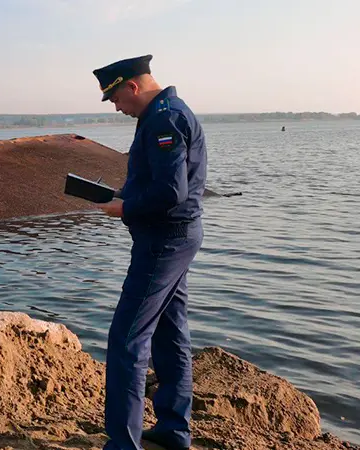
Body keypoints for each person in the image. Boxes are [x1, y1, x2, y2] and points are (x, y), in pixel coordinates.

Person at [91, 55, 207, 450]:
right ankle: (175, 431)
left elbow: (172, 192)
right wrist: (124, 194)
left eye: (116, 100)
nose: (118, 108)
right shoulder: (165, 113)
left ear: (132, 87)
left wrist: (124, 207)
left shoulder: (163, 119)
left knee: (127, 338)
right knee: (171, 332)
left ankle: (124, 444)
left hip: (164, 241)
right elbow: (162, 182)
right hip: (175, 237)